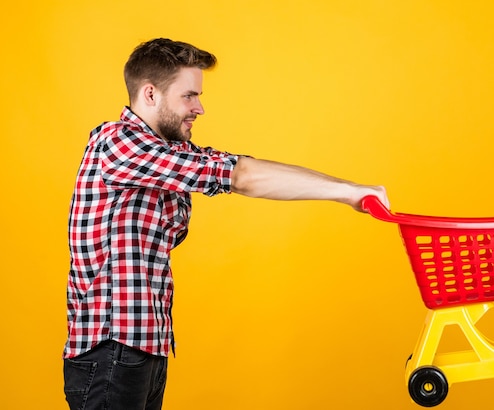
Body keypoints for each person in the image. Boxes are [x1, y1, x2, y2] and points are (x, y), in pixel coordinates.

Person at [63, 38, 389, 410]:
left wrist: (347, 189)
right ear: (150, 94)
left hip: (143, 349)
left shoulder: (167, 153)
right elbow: (238, 175)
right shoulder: (118, 143)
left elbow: (241, 167)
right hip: (111, 351)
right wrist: (349, 193)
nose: (199, 108)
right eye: (189, 96)